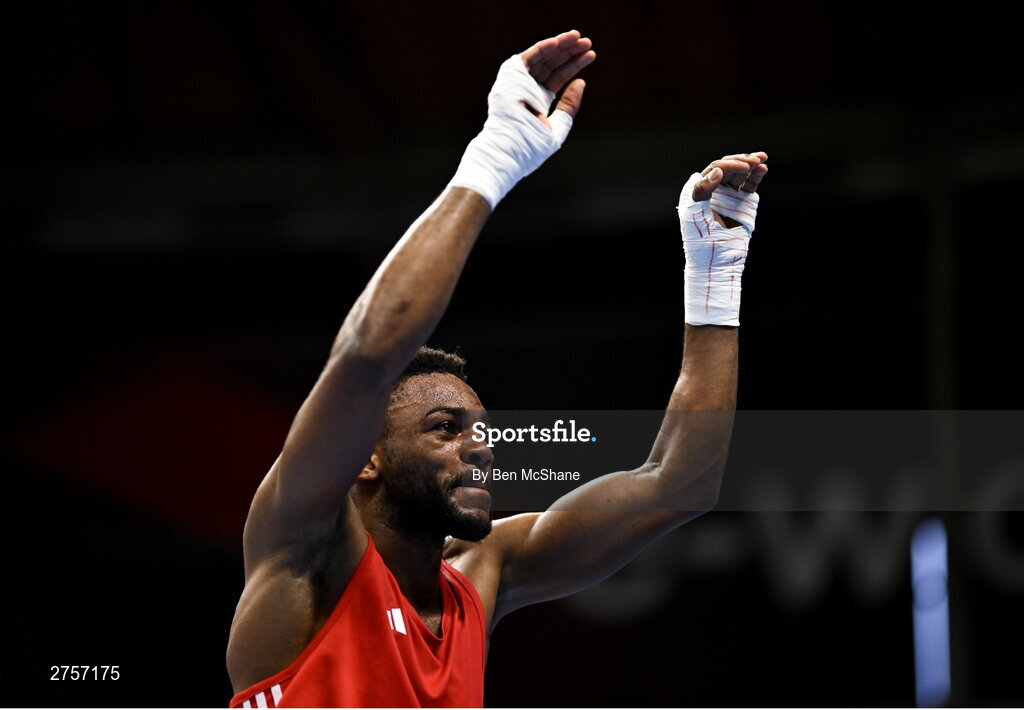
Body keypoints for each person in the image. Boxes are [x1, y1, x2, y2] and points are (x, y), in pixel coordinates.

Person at [225, 29, 767, 708]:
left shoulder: (484, 571)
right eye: (446, 428)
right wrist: (495, 159)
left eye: (481, 429)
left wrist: (715, 277)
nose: (480, 448)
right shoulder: (302, 550)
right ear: (367, 457)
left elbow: (680, 485)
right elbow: (369, 355)